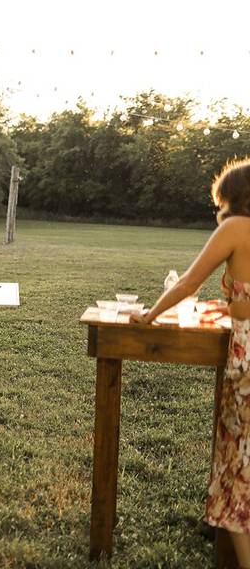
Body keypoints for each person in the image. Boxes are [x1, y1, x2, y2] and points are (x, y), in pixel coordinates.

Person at [130, 157, 250, 566]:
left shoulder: (235, 227)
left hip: (248, 360)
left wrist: (150, 315)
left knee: (240, 468)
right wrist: (233, 307)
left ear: (233, 196)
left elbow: (188, 282)